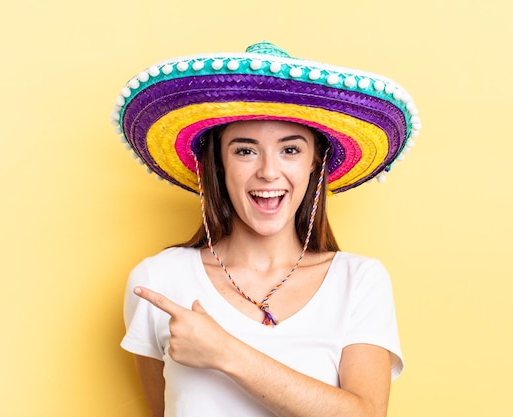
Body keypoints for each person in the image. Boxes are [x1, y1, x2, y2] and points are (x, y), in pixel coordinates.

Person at [111, 41, 420, 417]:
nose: (269, 172)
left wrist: (226, 353)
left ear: (314, 163)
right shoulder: (159, 279)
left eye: (290, 150)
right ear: (219, 164)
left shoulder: (359, 280)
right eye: (245, 150)